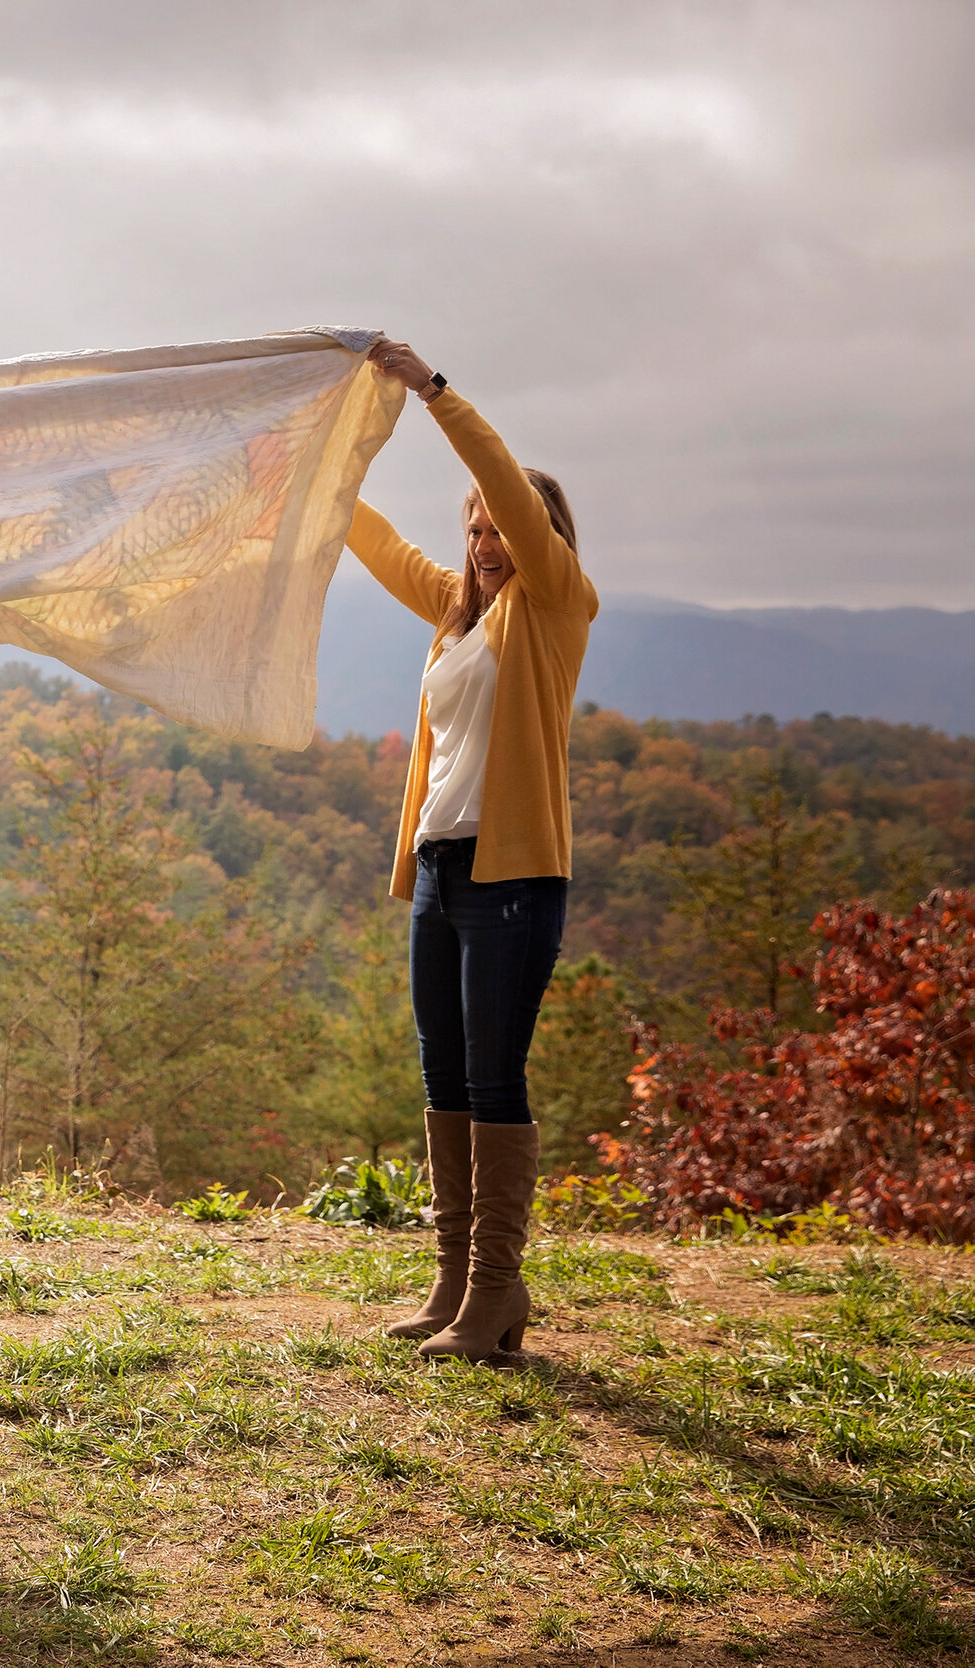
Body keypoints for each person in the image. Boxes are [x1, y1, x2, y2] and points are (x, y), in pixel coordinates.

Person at [348, 338, 598, 1363]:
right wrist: (315, 474)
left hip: (513, 878)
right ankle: (455, 1282)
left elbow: (501, 482)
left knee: (494, 1080)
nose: (486, 541)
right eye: (474, 530)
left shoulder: (554, 607)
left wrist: (432, 395)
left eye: (501, 528)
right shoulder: (457, 615)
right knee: (442, 1075)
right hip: (441, 874)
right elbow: (379, 547)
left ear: (537, 537)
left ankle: (496, 1293)